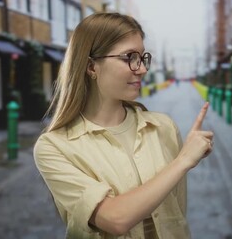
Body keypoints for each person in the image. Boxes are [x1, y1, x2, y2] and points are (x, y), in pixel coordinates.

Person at [34, 12, 214, 239]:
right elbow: (115, 219)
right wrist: (183, 161)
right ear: (91, 67)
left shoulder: (163, 127)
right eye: (129, 57)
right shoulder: (54, 147)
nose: (142, 69)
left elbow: (177, 214)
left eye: (142, 57)